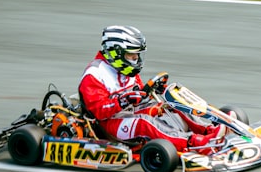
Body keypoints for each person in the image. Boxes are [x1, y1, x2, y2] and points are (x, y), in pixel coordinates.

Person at [77, 25, 225, 153]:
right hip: (108, 124)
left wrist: (152, 91)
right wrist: (122, 101)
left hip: (130, 112)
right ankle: (196, 143)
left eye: (137, 54)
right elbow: (98, 111)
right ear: (115, 52)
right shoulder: (95, 74)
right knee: (144, 122)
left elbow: (140, 94)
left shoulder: (125, 71)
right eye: (131, 54)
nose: (136, 58)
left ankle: (208, 129)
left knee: (171, 106)